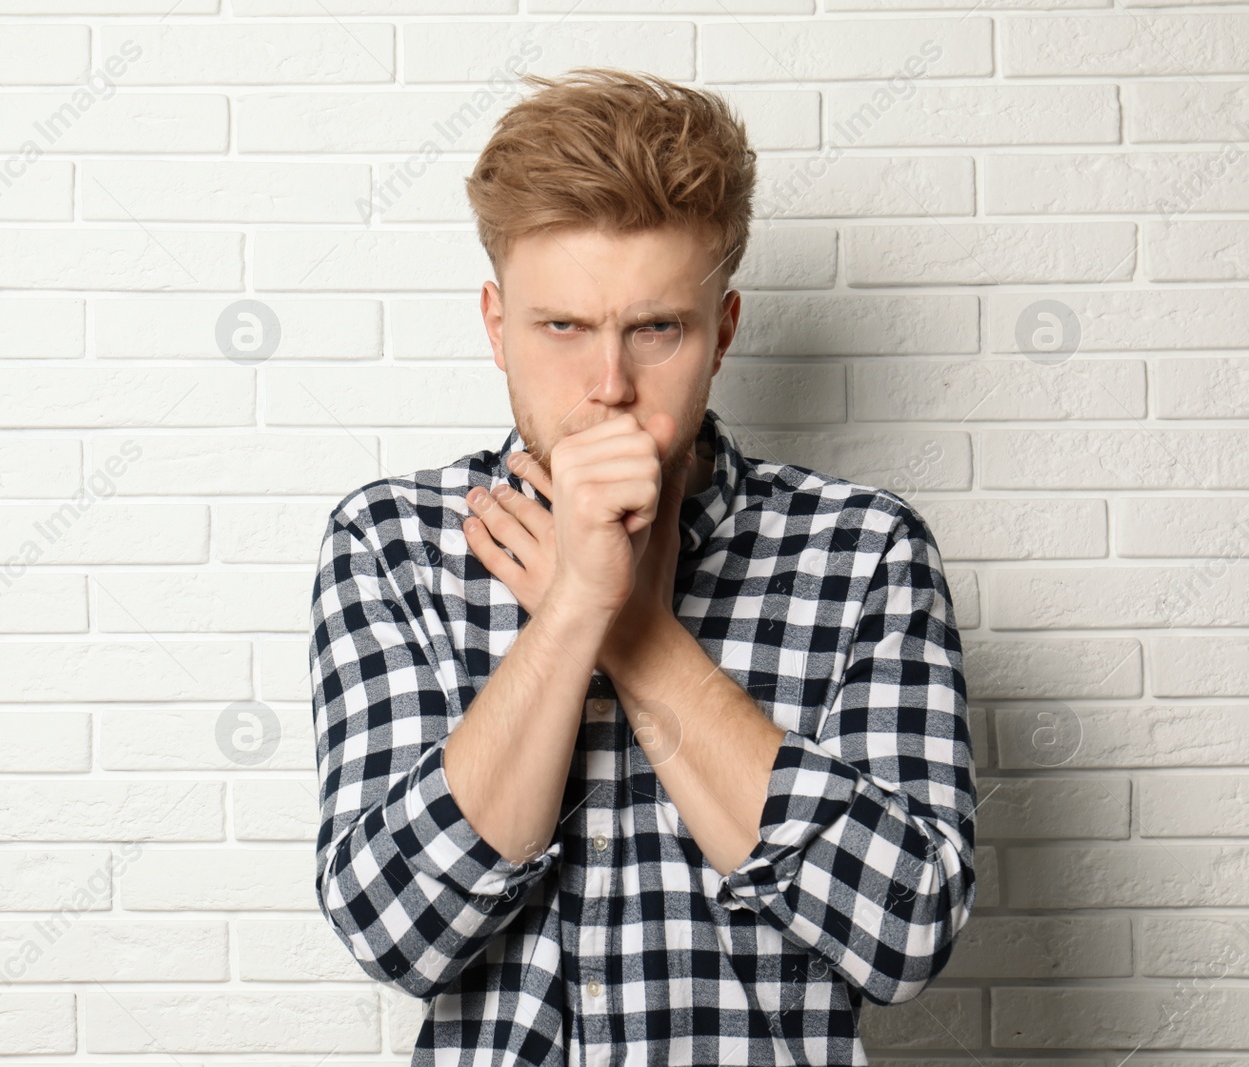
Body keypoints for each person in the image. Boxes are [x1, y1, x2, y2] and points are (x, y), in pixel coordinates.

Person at [307, 67, 977, 1067]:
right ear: (497, 326)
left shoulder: (862, 551)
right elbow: (400, 930)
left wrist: (633, 631)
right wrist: (570, 606)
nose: (609, 385)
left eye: (655, 327)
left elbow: (903, 928)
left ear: (724, 332)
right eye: (561, 327)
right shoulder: (393, 542)